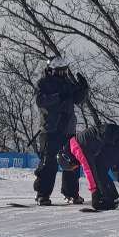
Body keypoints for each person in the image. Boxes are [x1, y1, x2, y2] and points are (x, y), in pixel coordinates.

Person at [32, 55, 89, 206]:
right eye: (60, 71)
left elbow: (78, 99)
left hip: (68, 129)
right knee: (48, 163)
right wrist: (58, 97)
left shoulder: (68, 83)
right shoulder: (43, 83)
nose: (63, 74)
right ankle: (42, 194)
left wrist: (83, 89)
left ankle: (71, 193)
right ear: (52, 70)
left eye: (65, 70)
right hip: (50, 129)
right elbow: (40, 101)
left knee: (72, 162)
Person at [71, 122, 119, 211]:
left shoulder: (76, 146)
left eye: (72, 166)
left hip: (114, 138)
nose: (76, 166)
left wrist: (94, 193)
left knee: (98, 167)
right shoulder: (81, 138)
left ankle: (110, 197)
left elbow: (89, 170)